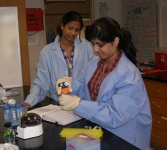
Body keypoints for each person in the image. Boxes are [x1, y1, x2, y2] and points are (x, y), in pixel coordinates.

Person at [57, 17, 152, 150]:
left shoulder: (129, 75)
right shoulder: (93, 63)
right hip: (100, 130)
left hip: (125, 138)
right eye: (93, 44)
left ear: (115, 41)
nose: (95, 49)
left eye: (100, 45)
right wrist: (68, 84)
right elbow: (82, 86)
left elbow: (114, 115)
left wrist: (78, 104)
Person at [24, 10, 95, 108]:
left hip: (82, 103)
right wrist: (29, 102)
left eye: (77, 30)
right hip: (59, 104)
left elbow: (94, 74)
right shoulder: (47, 52)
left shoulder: (87, 47)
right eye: (70, 28)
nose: (73, 33)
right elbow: (41, 82)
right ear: (62, 26)